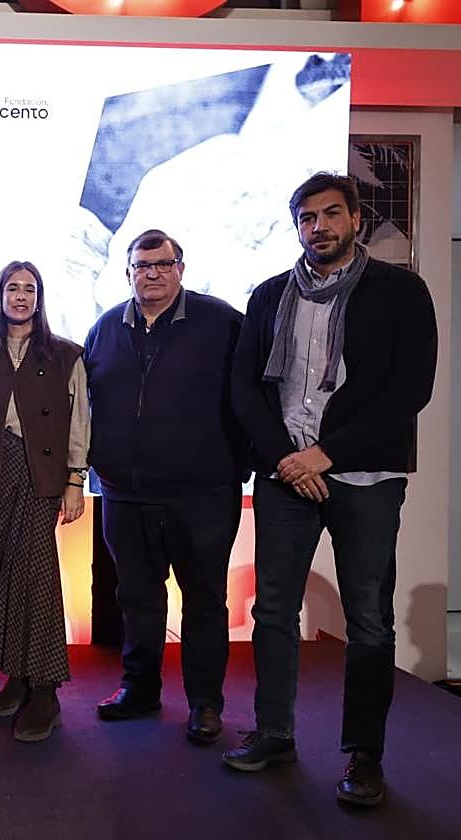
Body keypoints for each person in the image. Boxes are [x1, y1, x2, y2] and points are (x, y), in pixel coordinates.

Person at [224, 172, 437, 807]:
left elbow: (409, 390)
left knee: (369, 620)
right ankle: (274, 732)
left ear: (355, 218)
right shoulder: (267, 297)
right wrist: (288, 459)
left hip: (366, 477)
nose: (319, 227)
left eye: (330, 215)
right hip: (286, 476)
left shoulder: (401, 292)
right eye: (307, 218)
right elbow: (245, 390)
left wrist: (326, 452)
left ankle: (364, 755)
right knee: (272, 611)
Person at [83, 229, 245, 744]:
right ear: (127, 271)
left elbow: (252, 397)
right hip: (124, 495)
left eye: (163, 263)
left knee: (203, 602)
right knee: (137, 600)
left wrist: (235, 464)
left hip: (203, 495)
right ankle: (140, 688)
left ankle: (204, 703)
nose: (152, 273)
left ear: (181, 267)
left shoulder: (222, 323)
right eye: (141, 265)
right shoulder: (105, 328)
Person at [0, 261, 88, 743]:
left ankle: (46, 689)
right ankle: (17, 673)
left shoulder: (66, 355)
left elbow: (79, 423)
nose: (20, 296)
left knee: (34, 579)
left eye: (29, 289)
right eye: (12, 288)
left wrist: (76, 480)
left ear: (40, 297)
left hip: (40, 474)